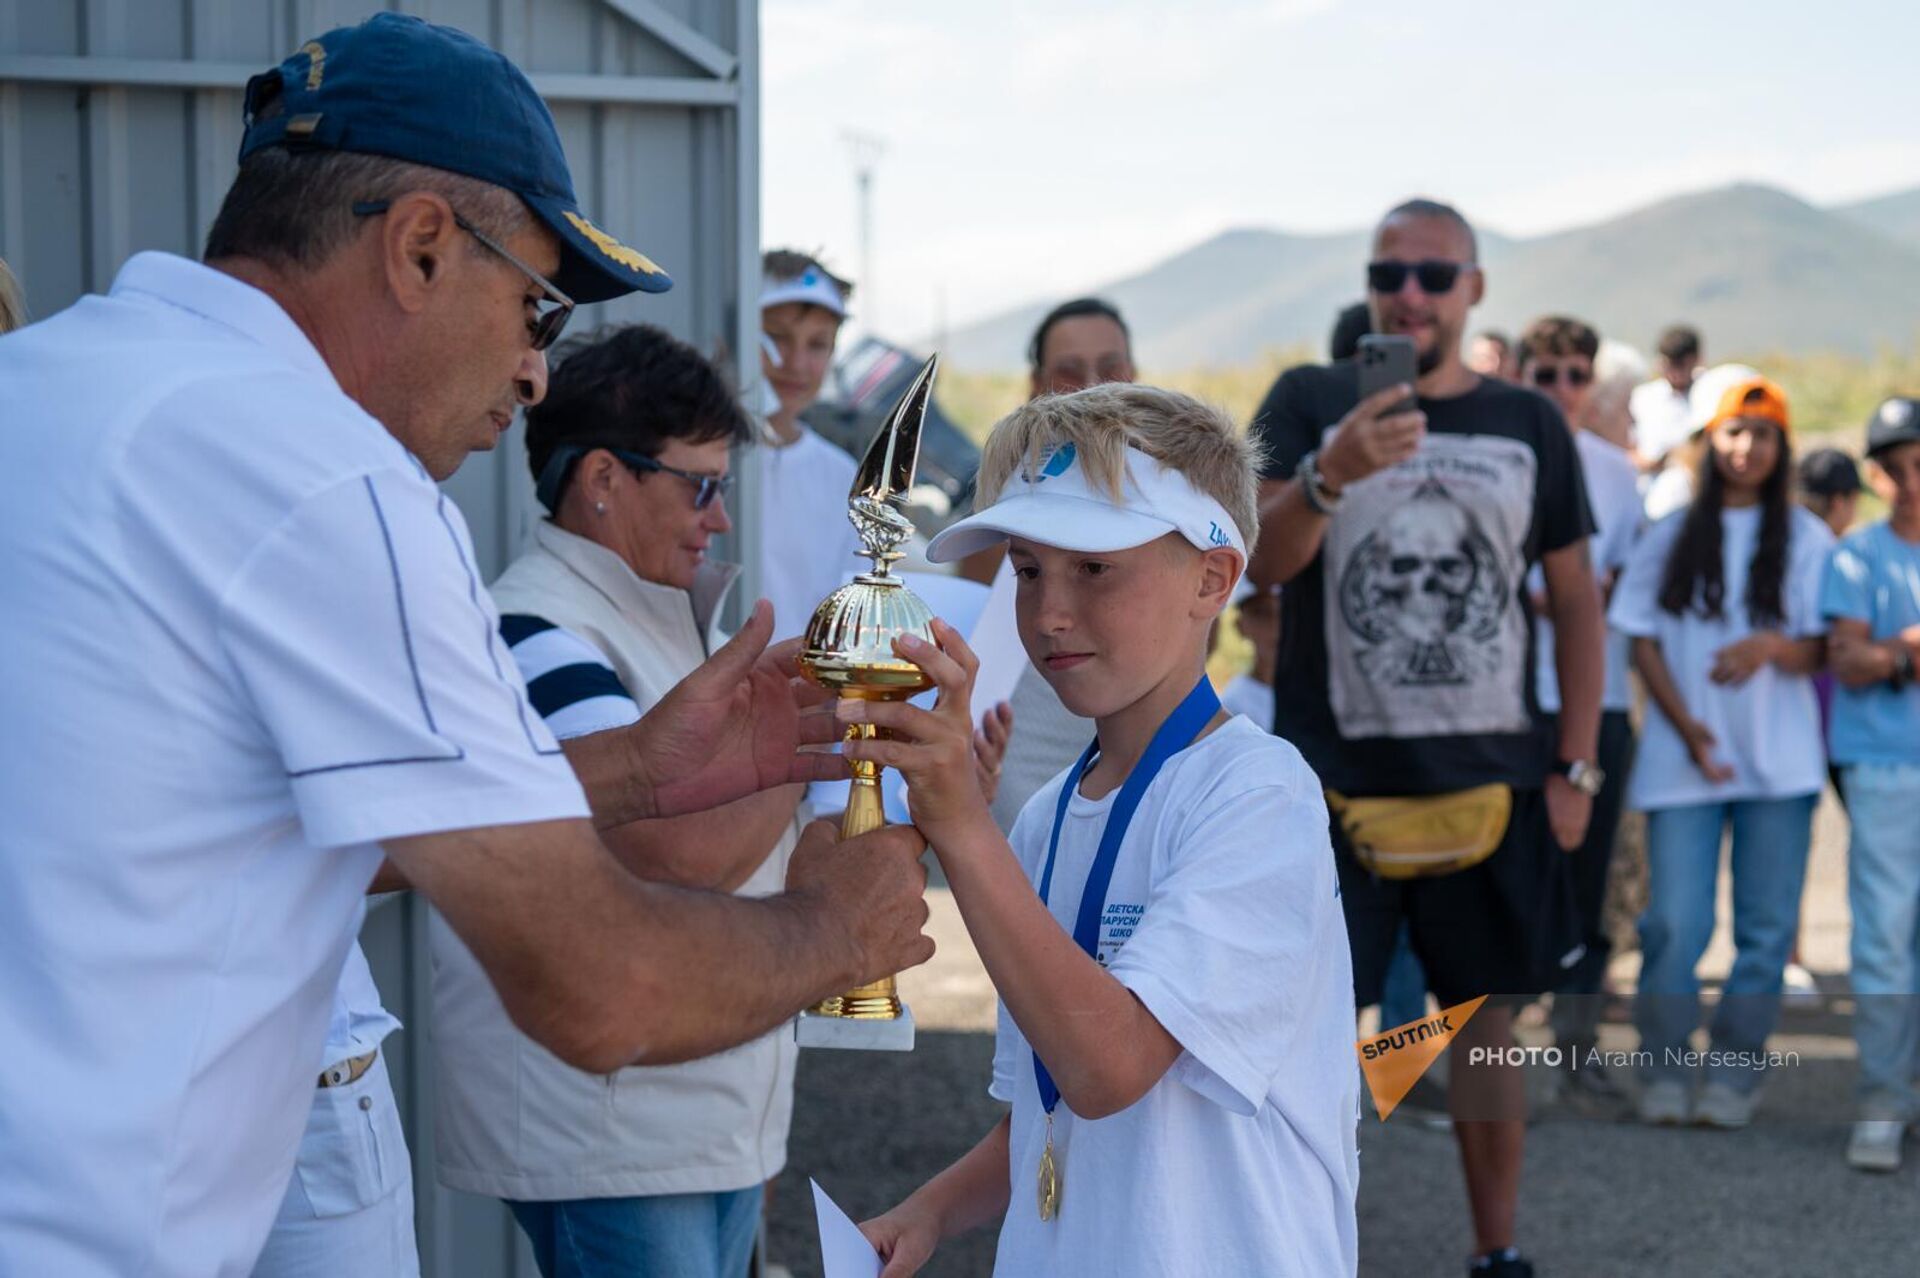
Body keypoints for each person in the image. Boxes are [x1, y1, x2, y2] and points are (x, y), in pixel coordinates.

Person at [0, 17, 934, 1277]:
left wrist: (633, 773)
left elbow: (194, 829)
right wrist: (838, 926)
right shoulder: (331, 481)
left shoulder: (49, 381)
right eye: (538, 307)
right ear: (423, 248)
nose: (536, 371)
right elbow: (597, 987)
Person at [854, 384, 1359, 1276]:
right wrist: (931, 1210)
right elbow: (1048, 1108)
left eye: (1095, 568)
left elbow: (1109, 1070)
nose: (1049, 611)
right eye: (1027, 569)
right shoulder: (1051, 811)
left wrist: (964, 829)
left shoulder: (1258, 794)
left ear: (1214, 577)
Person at [1247, 198, 1605, 1278]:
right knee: (1298, 1035)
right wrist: (1329, 473)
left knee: (1487, 1032)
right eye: (1389, 272)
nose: (1409, 293)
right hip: (1328, 778)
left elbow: (1578, 600)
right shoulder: (1310, 400)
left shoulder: (1527, 422)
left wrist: (1575, 763)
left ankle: (1497, 1251)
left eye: (1434, 277)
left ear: (1475, 289)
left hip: (1493, 775)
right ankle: (1281, 1250)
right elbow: (1254, 565)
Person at [426, 325, 798, 1276]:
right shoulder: (537, 628)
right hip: (615, 1135)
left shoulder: (655, 612)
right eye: (701, 486)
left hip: (684, 1117)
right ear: (601, 479)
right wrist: (817, 741)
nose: (719, 520)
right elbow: (668, 852)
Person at [1609, 377, 1832, 1130]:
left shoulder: (1805, 537)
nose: (1746, 449)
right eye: (1732, 434)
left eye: (1762, 435)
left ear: (1781, 447)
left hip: (1779, 766)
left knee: (1766, 929)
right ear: (1708, 444)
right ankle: (1665, 1065)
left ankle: (1735, 1074)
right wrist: (1687, 725)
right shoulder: (1671, 533)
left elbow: (1827, 645)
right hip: (1682, 764)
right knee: (1674, 922)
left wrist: (1774, 646)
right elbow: (1638, 634)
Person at [1517, 316, 1645, 1107]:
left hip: (1599, 702)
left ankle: (1577, 1042)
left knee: (1590, 873)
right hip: (1511, 702)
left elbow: (1626, 578)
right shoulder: (1503, 460)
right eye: (1546, 375)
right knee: (1505, 878)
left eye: (1575, 375)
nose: (1562, 389)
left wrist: (1575, 599)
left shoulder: (1616, 471)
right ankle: (1495, 1052)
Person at [978, 300, 1140, 831]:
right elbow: (980, 643)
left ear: (1134, 376)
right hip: (1019, 765)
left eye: (1110, 368)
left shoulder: (1165, 499)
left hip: (1132, 757)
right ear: (1036, 385)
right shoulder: (999, 503)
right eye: (1070, 373)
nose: (1094, 386)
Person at [1820, 395, 1920, 1171]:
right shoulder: (1855, 555)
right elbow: (1846, 663)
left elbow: (1869, 656)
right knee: (1885, 937)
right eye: (1895, 467)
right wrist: (1907, 651)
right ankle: (1883, 1098)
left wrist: (1893, 654)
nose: (1911, 480)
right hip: (1885, 765)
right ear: (1878, 476)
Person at [756, 249, 866, 643]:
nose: (796, 363)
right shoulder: (707, 456)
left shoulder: (840, 473)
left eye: (818, 344)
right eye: (776, 337)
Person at [1630, 324, 1703, 471]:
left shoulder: (1708, 394)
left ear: (1695, 360)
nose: (1674, 372)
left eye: (1680, 365)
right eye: (1669, 365)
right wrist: (1646, 463)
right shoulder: (1642, 397)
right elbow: (1627, 445)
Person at [1220, 579, 1280, 727]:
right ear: (1240, 626)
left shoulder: (1323, 693)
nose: (1275, 625)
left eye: (1284, 611)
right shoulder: (1234, 705)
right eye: (1261, 613)